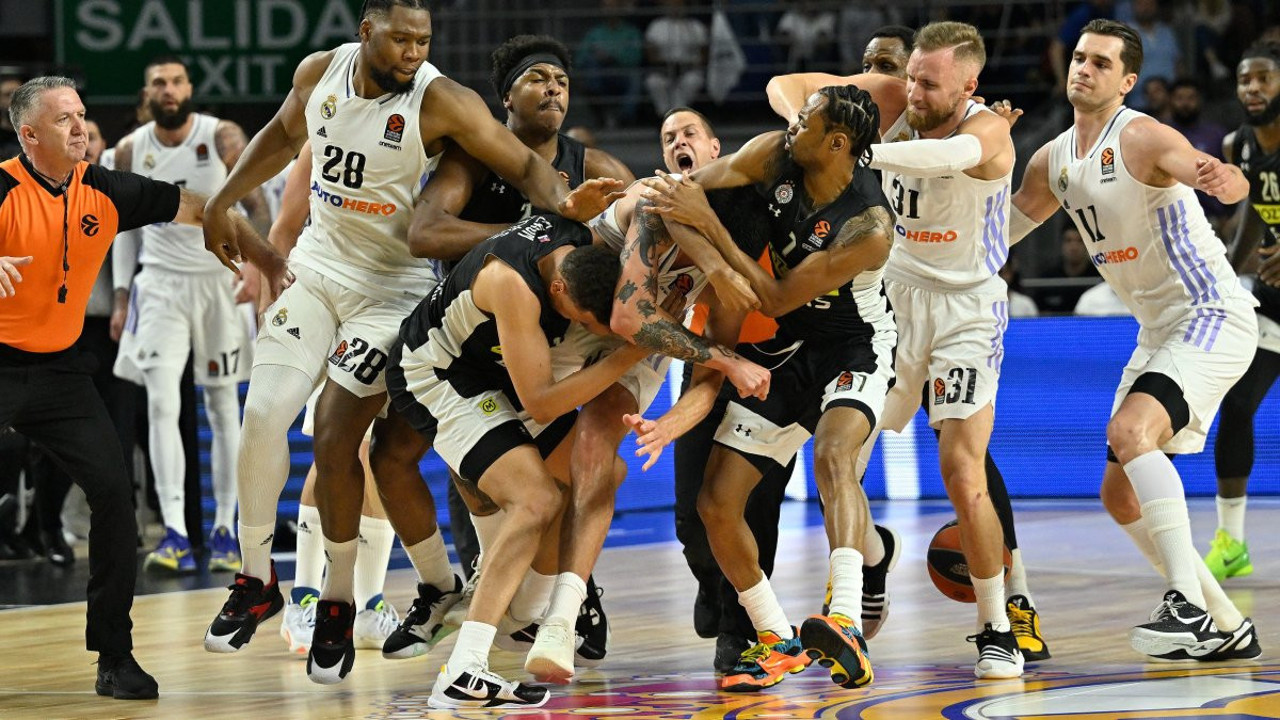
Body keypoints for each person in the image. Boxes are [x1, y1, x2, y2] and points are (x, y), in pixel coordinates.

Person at [199, 0, 621, 687]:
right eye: (402, 39)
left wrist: (564, 205)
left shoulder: (442, 100)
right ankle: (258, 578)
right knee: (263, 415)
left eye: (424, 40)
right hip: (323, 271)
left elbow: (523, 164)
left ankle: (348, 598)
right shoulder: (319, 73)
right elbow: (281, 134)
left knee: (343, 437)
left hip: (392, 293)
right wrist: (223, 198)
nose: (415, 52)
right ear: (366, 32)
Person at [0, 75, 287, 701]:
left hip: (59, 372)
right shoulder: (3, 188)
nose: (80, 128)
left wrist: (266, 260)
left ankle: (114, 656)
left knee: (114, 498)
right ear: (28, 136)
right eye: (64, 120)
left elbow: (199, 206)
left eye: (82, 114)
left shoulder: (103, 188)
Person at [766, 44, 1052, 667]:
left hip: (966, 310)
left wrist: (854, 149)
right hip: (892, 299)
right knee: (838, 456)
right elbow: (785, 83)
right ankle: (863, 578)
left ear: (970, 84)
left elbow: (952, 157)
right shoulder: (892, 98)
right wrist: (810, 126)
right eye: (912, 78)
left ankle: (998, 625)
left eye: (930, 84)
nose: (914, 93)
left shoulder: (988, 130)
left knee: (960, 465)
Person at [374, 33, 633, 663]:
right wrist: (531, 235)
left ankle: (571, 591)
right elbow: (425, 232)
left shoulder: (591, 165)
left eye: (562, 81)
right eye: (538, 77)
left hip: (558, 333)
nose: (552, 88)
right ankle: (442, 588)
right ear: (505, 97)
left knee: (572, 473)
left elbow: (639, 236)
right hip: (470, 338)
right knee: (393, 454)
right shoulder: (473, 160)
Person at [1009, 19, 1262, 661]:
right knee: (1117, 492)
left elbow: (1204, 169)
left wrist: (1225, 181)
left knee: (1130, 433)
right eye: (1079, 57)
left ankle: (1187, 605)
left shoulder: (1144, 134)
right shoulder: (1051, 158)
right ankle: (1226, 622)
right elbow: (1000, 233)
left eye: (1100, 62)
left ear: (1126, 81)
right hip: (1158, 328)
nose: (1084, 68)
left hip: (1211, 310)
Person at [640, 85, 896, 693]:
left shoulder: (869, 226)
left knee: (834, 456)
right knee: (714, 504)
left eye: (804, 121)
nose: (792, 126)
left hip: (855, 347)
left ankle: (846, 620)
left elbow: (776, 296)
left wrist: (710, 231)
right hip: (789, 349)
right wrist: (681, 213)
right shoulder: (770, 153)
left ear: (836, 143)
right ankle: (775, 636)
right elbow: (694, 192)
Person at [386, 218, 649, 709]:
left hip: (493, 374)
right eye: (585, 320)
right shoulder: (512, 284)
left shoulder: (580, 243)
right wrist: (626, 355)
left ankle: (519, 611)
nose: (592, 331)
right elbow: (545, 403)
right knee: (535, 498)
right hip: (438, 374)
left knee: (603, 472)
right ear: (558, 287)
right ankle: (463, 667)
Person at [110, 56, 270, 574]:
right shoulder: (131, 148)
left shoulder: (221, 135)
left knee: (224, 405)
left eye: (177, 81)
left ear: (190, 88)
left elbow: (258, 201)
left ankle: (225, 527)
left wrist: (257, 269)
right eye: (159, 82)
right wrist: (121, 296)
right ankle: (175, 529)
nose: (169, 89)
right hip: (158, 287)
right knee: (158, 405)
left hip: (218, 282)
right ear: (147, 92)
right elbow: (121, 227)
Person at [657, 107, 797, 675]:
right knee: (691, 517)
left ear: (716, 149)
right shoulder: (662, 212)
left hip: (778, 369)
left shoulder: (761, 197)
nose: (678, 142)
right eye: (668, 139)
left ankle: (739, 635)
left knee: (751, 508)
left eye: (689, 133)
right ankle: (715, 584)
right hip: (710, 362)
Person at [1204, 39, 1280, 582]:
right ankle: (1231, 541)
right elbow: (1252, 212)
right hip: (1273, 303)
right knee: (1237, 406)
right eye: (1243, 80)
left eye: (1263, 80)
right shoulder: (1239, 144)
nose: (1251, 89)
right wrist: (1228, 273)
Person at [644, 0, 708, 114]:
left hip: (689, 69)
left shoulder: (696, 26)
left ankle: (677, 114)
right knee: (654, 82)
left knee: (692, 81)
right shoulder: (656, 26)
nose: (675, 8)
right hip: (664, 69)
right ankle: (663, 114)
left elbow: (703, 55)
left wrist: (688, 66)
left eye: (679, 4)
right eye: (671, 4)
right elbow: (651, 56)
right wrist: (667, 66)